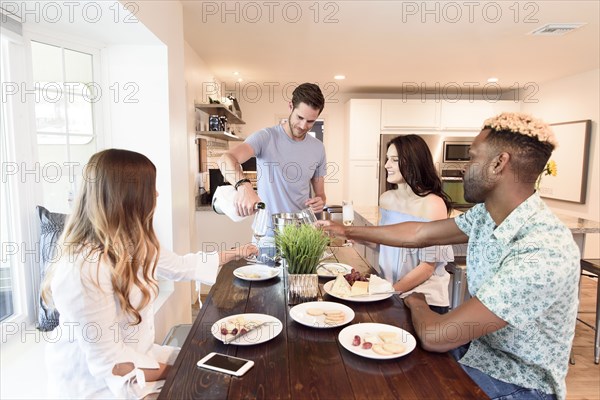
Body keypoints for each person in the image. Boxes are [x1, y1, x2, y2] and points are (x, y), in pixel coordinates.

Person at [317, 112, 580, 400]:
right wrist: (348, 231)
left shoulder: (543, 249)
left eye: (471, 158)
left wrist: (416, 300)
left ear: (499, 164)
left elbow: (436, 337)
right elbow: (419, 234)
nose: (464, 169)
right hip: (477, 353)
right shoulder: (486, 215)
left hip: (517, 384)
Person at [41, 149, 257, 399]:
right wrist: (183, 366)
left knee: (221, 361)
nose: (156, 193)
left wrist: (234, 253)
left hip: (139, 360)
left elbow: (180, 266)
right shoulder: (83, 269)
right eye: (150, 187)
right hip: (99, 387)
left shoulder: (131, 242)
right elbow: (113, 365)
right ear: (127, 196)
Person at [218, 83, 327, 224]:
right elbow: (226, 159)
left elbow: (321, 195)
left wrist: (320, 201)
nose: (303, 126)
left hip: (302, 234)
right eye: (299, 117)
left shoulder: (318, 148)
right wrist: (243, 186)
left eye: (310, 121)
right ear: (290, 107)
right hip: (267, 235)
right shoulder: (266, 137)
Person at [379, 134, 454, 314]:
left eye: (394, 160)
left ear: (414, 163)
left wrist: (390, 292)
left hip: (424, 300)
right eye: (387, 159)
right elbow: (383, 243)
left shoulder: (432, 205)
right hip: (392, 293)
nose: (386, 165)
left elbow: (427, 267)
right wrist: (348, 235)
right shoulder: (386, 199)